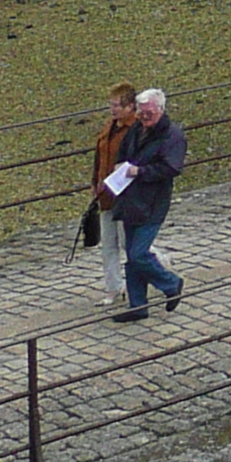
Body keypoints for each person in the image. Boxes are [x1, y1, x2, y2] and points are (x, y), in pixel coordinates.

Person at [108, 86, 188, 321]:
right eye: (141, 112)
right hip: (131, 200)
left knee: (139, 253)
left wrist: (138, 171)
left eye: (149, 113)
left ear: (161, 109)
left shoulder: (172, 135)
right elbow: (124, 153)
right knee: (132, 256)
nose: (144, 117)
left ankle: (171, 283)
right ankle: (137, 305)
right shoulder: (137, 129)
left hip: (152, 203)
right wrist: (120, 167)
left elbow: (172, 168)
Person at [85, 84, 140, 307]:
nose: (112, 109)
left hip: (124, 195)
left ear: (130, 107)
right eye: (111, 104)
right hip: (106, 194)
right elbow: (99, 156)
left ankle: (155, 266)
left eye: (117, 105)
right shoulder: (110, 127)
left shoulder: (135, 130)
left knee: (129, 244)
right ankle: (113, 288)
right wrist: (94, 182)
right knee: (108, 244)